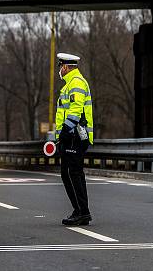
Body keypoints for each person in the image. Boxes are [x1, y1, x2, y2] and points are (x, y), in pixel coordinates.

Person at [54, 52, 94, 226]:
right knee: (68, 173)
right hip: (70, 136)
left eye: (60, 67)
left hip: (74, 136)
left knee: (74, 173)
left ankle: (82, 212)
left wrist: (64, 131)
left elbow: (75, 110)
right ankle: (80, 211)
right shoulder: (70, 84)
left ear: (65, 67)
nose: (59, 71)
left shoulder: (76, 83)